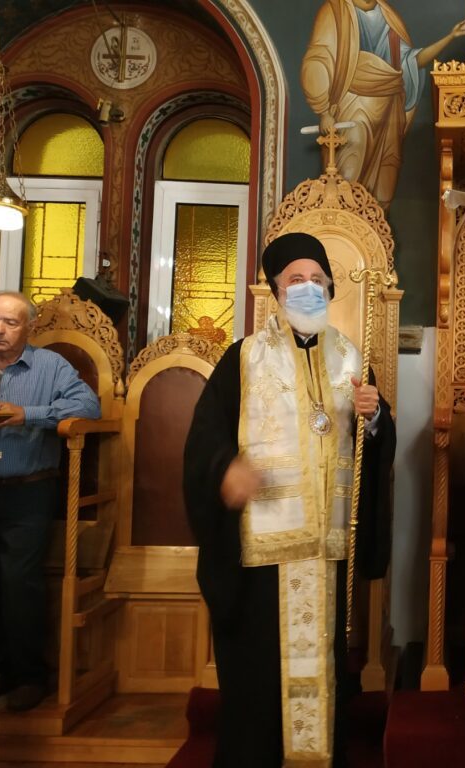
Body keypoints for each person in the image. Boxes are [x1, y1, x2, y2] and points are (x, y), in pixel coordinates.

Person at [183, 232, 395, 767]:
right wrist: (224, 470)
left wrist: (375, 417)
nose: (307, 288)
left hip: (326, 548)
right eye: (295, 280)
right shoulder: (243, 358)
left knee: (324, 666)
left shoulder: (351, 358)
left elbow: (375, 447)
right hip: (262, 551)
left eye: (317, 279)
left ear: (330, 288)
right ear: (276, 292)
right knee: (258, 676)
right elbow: (204, 440)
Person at [0, 291, 100, 712]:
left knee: (19, 584)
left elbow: (88, 406)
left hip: (28, 490)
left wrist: (28, 414)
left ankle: (29, 676)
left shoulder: (49, 366)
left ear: (29, 327)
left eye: (10, 322)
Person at [301, 0, 465, 209]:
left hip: (390, 111)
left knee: (385, 178)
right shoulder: (335, 10)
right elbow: (319, 59)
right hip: (354, 108)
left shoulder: (388, 17)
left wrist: (450, 37)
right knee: (349, 171)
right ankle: (343, 224)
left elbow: (411, 62)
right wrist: (324, 110)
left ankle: (375, 225)